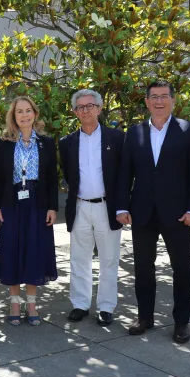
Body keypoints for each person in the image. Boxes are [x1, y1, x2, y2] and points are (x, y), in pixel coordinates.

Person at [116, 80, 190, 344]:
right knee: (143, 267)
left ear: (173, 100)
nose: (158, 101)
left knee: (182, 268)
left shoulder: (189, 131)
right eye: (153, 97)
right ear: (146, 102)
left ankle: (181, 322)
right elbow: (125, 173)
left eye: (164, 96)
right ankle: (145, 317)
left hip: (179, 214)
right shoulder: (134, 133)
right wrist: (122, 206)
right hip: (142, 212)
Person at [59, 90, 124, 326]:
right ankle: (80, 304)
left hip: (108, 207)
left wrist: (123, 207)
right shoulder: (66, 143)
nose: (85, 110)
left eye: (90, 106)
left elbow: (124, 175)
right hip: (80, 207)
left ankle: (106, 307)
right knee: (79, 258)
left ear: (100, 108)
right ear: (75, 112)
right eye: (80, 107)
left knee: (109, 259)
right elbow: (68, 174)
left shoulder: (116, 138)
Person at [0, 96, 58, 327]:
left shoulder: (46, 142)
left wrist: (52, 206)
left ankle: (31, 304)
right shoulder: (4, 142)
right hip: (11, 203)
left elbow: (51, 178)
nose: (24, 115)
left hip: (38, 204)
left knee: (34, 252)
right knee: (12, 250)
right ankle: (14, 304)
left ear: (35, 113)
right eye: (19, 111)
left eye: (28, 110)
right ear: (13, 116)